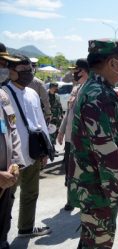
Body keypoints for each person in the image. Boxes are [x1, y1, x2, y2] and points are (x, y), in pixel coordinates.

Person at [68, 39, 118, 249]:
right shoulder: (99, 95)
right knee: (98, 244)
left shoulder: (96, 89)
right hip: (99, 191)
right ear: (111, 62)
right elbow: (106, 150)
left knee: (91, 242)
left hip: (97, 188)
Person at [3, 55, 52, 238]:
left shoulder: (32, 93)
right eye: (23, 71)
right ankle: (2, 235)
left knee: (31, 193)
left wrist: (46, 149)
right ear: (11, 71)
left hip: (32, 153)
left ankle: (26, 228)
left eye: (30, 70)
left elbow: (39, 122)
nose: (28, 74)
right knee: (7, 197)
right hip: (10, 157)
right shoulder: (3, 93)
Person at [57, 58, 89, 211]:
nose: (73, 73)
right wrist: (62, 131)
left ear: (83, 71)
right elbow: (68, 113)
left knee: (83, 171)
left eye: (76, 71)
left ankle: (85, 200)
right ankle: (71, 200)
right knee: (69, 171)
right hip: (70, 138)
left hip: (84, 140)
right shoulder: (76, 89)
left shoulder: (91, 90)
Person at [0, 52, 24, 249]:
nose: (5, 69)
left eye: (6, 64)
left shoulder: (2, 96)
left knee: (2, 224)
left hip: (6, 179)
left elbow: (12, 131)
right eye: (1, 63)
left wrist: (15, 163)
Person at [27, 58, 52, 124]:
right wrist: (48, 113)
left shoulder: (16, 80)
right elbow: (45, 100)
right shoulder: (39, 82)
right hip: (33, 113)